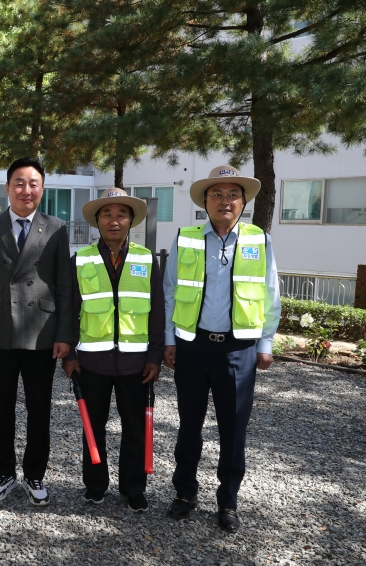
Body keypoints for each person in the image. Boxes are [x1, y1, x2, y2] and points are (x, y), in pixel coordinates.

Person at [163, 165, 281, 533]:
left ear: (243, 202)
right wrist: (170, 340)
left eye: (233, 194)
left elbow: (270, 294)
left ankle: (227, 501)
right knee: (189, 426)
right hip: (193, 346)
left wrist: (265, 343)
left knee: (233, 430)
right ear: (204, 201)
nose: (225, 201)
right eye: (217, 194)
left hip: (239, 350)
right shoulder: (185, 238)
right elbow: (170, 294)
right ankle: (184, 493)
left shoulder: (259, 240)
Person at [0, 157, 75, 506]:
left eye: (33, 183)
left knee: (39, 408)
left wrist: (64, 334)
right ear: (8, 187)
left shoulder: (57, 228)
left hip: (42, 331)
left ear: (42, 188)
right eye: (19, 183)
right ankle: (3, 473)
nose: (26, 190)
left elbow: (64, 285)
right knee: (1, 407)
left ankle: (34, 474)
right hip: (0, 330)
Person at [61, 188, 164, 513]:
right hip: (91, 363)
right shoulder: (81, 259)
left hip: (137, 364)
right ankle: (95, 485)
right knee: (93, 427)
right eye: (107, 214)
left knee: (135, 429)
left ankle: (133, 488)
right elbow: (68, 310)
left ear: (131, 220)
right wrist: (70, 355)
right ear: (97, 221)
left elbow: (158, 311)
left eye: (121, 214)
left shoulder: (146, 259)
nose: (114, 220)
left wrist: (154, 356)